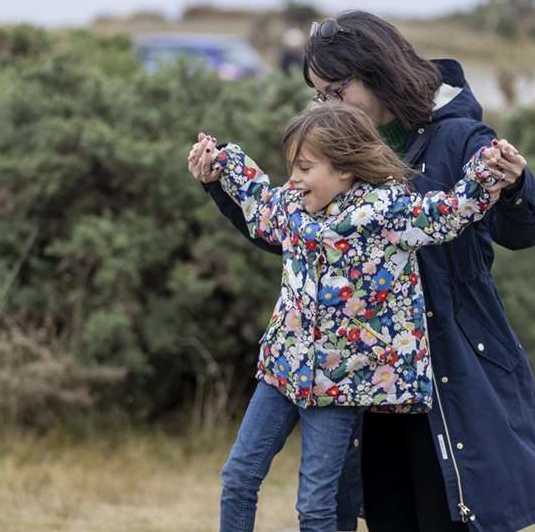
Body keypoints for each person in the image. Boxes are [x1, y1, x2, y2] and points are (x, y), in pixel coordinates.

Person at [192, 10, 535, 532]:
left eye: (337, 89)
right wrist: (219, 183)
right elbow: (303, 242)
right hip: (362, 379)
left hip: (446, 375)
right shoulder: (337, 149)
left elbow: (524, 230)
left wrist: (516, 182)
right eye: (320, 95)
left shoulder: (460, 137)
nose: (328, 104)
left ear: (379, 72)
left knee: (445, 515)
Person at [195, 102, 503, 532]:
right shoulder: (291, 208)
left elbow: (450, 212)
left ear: (344, 168)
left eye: (304, 168)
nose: (295, 178)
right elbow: (256, 198)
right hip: (283, 368)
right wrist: (221, 159)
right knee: (239, 478)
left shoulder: (388, 214)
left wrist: (489, 170)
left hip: (341, 384)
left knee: (316, 506)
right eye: (292, 167)